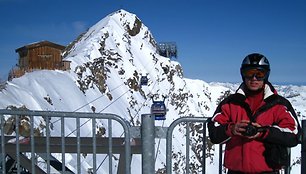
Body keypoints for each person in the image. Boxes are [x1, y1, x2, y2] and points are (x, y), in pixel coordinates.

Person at [207, 53, 301, 174]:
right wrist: (232, 129)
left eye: (260, 74)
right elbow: (214, 132)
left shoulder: (278, 104)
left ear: (266, 75)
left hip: (267, 170)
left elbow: (294, 135)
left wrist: (264, 132)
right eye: (249, 73)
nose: (254, 78)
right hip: (236, 171)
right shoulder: (230, 103)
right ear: (243, 75)